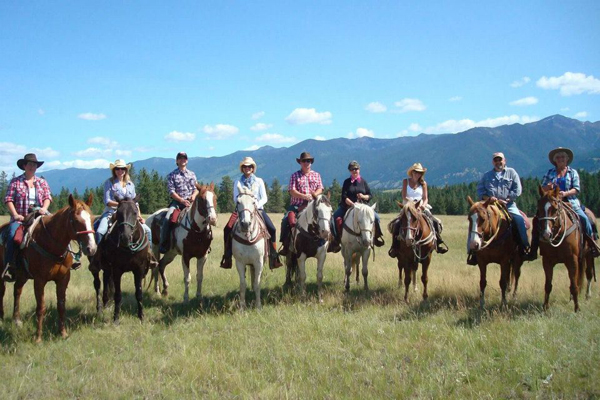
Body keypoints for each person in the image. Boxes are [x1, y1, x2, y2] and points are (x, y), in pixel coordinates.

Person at [534, 147, 600, 257]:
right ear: (555, 160)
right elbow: (542, 188)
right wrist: (547, 187)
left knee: (584, 218)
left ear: (567, 159)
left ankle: (591, 244)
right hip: (553, 202)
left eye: (563, 157)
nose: (560, 159)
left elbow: (576, 189)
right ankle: (534, 246)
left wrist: (565, 193)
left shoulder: (572, 172)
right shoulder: (550, 172)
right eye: (558, 157)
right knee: (538, 220)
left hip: (570, 201)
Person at [219, 157, 283, 270]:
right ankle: (227, 256)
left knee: (272, 229)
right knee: (227, 229)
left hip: (258, 209)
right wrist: (244, 206)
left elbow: (264, 198)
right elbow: (235, 197)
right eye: (245, 166)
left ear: (253, 168)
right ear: (242, 169)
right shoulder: (237, 182)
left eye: (249, 166)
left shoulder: (259, 181)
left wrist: (255, 205)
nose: (247, 168)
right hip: (241, 209)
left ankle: (273, 257)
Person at [472, 152, 533, 264]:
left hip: (508, 204)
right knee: (476, 221)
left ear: (504, 161)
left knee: (519, 220)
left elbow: (517, 189)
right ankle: (473, 252)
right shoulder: (487, 175)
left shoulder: (512, 173)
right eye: (496, 160)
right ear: (493, 162)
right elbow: (480, 190)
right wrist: (489, 198)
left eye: (500, 160)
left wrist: (508, 199)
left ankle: (524, 248)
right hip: (490, 205)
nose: (498, 162)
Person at [2, 153, 52, 281]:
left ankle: (71, 258)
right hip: (21, 218)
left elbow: (47, 197)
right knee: (13, 235)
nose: (32, 167)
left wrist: (44, 209)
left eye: (34, 165)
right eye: (29, 164)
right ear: (24, 166)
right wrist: (15, 215)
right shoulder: (15, 182)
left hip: (39, 216)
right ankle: (9, 265)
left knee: (59, 227)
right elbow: (8, 200)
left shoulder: (42, 182)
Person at [388, 163, 447, 257]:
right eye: (416, 172)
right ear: (412, 172)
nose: (417, 174)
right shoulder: (405, 181)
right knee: (397, 223)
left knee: (435, 222)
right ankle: (394, 247)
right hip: (407, 206)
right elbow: (404, 196)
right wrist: (411, 204)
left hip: (421, 207)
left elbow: (425, 198)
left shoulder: (423, 184)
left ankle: (438, 243)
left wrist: (422, 206)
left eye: (419, 172)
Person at [329, 160, 384, 253]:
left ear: (359, 169)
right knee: (334, 218)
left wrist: (363, 196)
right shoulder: (346, 182)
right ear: (350, 171)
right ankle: (336, 241)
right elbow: (344, 196)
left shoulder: (363, 182)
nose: (355, 170)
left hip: (363, 207)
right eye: (352, 169)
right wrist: (352, 204)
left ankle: (375, 238)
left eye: (356, 169)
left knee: (377, 218)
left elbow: (370, 195)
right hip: (348, 206)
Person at [94, 159, 152, 245]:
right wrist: (123, 205)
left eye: (122, 169)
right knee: (100, 231)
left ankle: (148, 255)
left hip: (130, 213)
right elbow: (107, 201)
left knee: (148, 231)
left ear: (126, 170)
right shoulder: (109, 182)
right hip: (111, 211)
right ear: (114, 170)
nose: (120, 171)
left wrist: (139, 216)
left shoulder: (131, 184)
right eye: (117, 169)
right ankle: (98, 254)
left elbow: (135, 203)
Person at [279, 152, 324, 256]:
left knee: (326, 218)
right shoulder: (295, 175)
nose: (306, 163)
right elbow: (291, 191)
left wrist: (313, 195)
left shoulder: (317, 175)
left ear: (311, 162)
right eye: (304, 161)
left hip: (313, 205)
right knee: (286, 220)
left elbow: (320, 188)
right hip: (297, 205)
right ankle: (286, 246)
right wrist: (303, 196)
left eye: (308, 161)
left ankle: (328, 242)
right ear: (300, 162)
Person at [159, 152, 199, 253]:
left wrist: (193, 196)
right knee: (168, 218)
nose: (183, 160)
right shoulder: (172, 175)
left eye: (184, 158)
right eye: (180, 158)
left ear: (187, 160)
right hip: (177, 203)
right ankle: (164, 243)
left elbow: (197, 188)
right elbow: (171, 192)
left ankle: (204, 244)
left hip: (191, 202)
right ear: (177, 161)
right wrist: (181, 200)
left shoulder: (192, 174)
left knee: (203, 216)